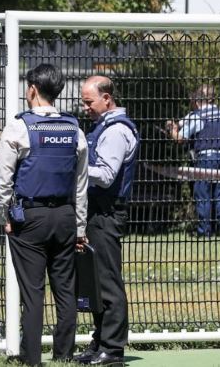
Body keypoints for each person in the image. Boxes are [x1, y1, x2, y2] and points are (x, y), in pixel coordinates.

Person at [0, 63, 88, 366]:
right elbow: (81, 184)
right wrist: (80, 226)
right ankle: (63, 355)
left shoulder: (20, 126)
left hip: (29, 218)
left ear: (32, 89)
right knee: (65, 289)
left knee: (32, 292)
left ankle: (31, 358)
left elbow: (3, 178)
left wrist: (3, 214)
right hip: (64, 215)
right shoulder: (74, 128)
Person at [74, 76, 139, 366]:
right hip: (97, 212)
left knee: (108, 281)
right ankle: (100, 342)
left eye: (89, 102)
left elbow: (107, 174)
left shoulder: (116, 131)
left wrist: (73, 165)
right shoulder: (104, 127)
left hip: (107, 212)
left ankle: (112, 349)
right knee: (95, 280)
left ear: (107, 99)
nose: (85, 107)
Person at [165, 84, 220, 237]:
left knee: (203, 195)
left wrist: (172, 131)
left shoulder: (197, 116)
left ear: (199, 100)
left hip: (205, 159)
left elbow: (180, 139)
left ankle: (204, 232)